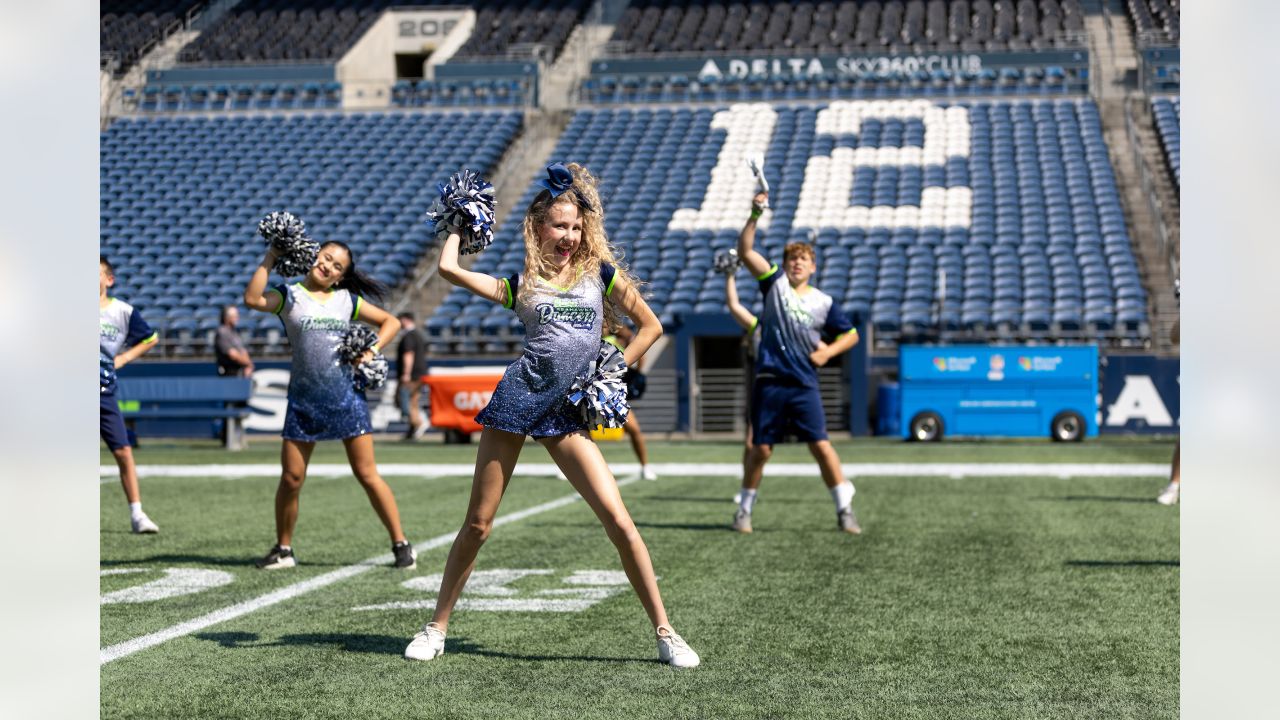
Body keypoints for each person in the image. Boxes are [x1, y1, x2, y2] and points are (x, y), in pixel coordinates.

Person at [403, 162, 699, 668]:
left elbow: (648, 327)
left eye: (576, 226)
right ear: (539, 227)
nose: (569, 235)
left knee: (620, 521)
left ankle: (667, 632)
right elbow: (450, 271)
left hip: (567, 409)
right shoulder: (521, 285)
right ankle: (436, 627)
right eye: (559, 226)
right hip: (519, 399)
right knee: (478, 523)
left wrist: (611, 370)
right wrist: (457, 222)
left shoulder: (600, 275)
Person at [242, 240, 416, 570]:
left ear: (339, 278)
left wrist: (371, 350)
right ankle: (284, 549)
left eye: (337, 266)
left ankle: (401, 543)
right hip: (304, 400)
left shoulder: (345, 300)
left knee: (366, 474)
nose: (328, 266)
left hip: (347, 397)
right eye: (326, 258)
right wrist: (272, 257)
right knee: (292, 478)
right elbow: (252, 299)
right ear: (314, 257)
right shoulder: (289, 295)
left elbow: (390, 322)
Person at [732, 191, 863, 535]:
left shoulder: (824, 302)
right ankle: (744, 509)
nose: (797, 262)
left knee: (821, 446)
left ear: (813, 266)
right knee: (760, 450)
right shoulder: (774, 285)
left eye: (803, 258)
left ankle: (844, 509)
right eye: (792, 258)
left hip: (803, 383)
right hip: (770, 381)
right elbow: (745, 251)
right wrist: (755, 215)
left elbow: (851, 335)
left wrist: (828, 352)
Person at [100, 256, 161, 534]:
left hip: (103, 392)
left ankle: (137, 514)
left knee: (123, 451)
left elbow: (151, 338)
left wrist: (124, 358)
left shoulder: (122, 311)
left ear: (109, 280)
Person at [724, 267, 761, 503]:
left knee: (818, 444)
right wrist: (729, 276)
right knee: (753, 445)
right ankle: (748, 491)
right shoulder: (761, 327)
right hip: (764, 396)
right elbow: (735, 306)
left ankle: (839, 486)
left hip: (794, 390)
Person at [604, 323, 656, 481]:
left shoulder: (617, 339)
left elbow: (641, 349)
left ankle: (645, 466)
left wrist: (638, 373)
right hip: (590, 389)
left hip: (612, 391)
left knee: (634, 430)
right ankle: (568, 467)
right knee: (576, 431)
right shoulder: (591, 337)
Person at [395, 312, 429, 440]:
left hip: (412, 374)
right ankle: (412, 429)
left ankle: (418, 423)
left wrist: (406, 374)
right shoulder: (419, 335)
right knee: (413, 400)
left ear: (406, 320)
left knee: (405, 400)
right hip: (420, 373)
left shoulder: (409, 336)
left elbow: (408, 355)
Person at [214, 305, 253, 378]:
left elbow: (243, 351)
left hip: (240, 373)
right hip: (229, 374)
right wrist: (248, 364)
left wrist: (249, 366)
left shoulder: (234, 332)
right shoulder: (222, 332)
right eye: (234, 316)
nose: (237, 318)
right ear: (227, 318)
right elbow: (232, 354)